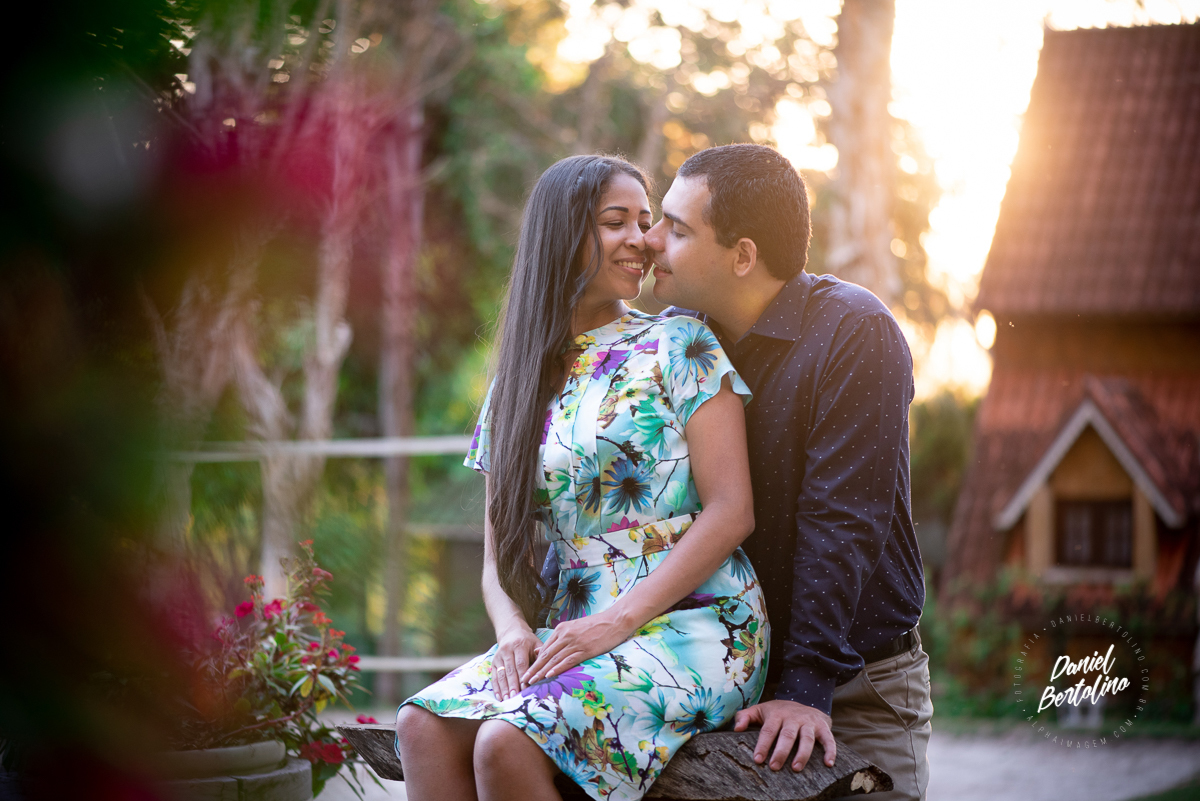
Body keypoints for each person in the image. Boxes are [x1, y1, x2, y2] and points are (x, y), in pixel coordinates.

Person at [394, 154, 770, 801]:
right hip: (572, 629)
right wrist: (512, 630)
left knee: (505, 739)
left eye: (648, 222)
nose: (643, 240)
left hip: (697, 620)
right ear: (564, 234)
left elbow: (733, 509)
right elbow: (494, 561)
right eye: (615, 221)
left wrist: (616, 623)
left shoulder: (681, 342)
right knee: (420, 726)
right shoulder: (514, 384)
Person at [642, 144, 932, 801]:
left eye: (678, 228)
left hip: (855, 679)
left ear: (742, 256)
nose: (652, 240)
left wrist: (806, 685)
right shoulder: (672, 337)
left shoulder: (855, 332)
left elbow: (843, 520)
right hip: (713, 675)